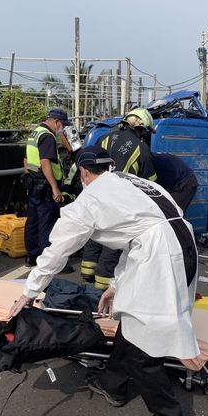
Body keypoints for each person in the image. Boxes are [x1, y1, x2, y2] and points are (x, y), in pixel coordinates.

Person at [9, 146, 201, 416]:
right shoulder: (131, 182)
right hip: (181, 245)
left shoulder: (90, 200)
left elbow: (57, 251)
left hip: (160, 258)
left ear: (84, 172)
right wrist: (116, 285)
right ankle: (113, 383)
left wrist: (29, 291)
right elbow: (137, 236)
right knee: (132, 325)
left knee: (143, 350)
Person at [81, 108, 157, 289]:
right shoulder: (141, 149)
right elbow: (150, 182)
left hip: (96, 196)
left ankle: (87, 271)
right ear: (141, 129)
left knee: (95, 231)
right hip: (120, 203)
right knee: (113, 240)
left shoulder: (103, 138)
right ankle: (103, 283)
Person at [23, 108, 73, 274]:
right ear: (57, 122)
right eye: (62, 125)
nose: (62, 129)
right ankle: (49, 263)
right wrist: (54, 187)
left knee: (33, 221)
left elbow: (26, 161)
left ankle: (32, 257)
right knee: (47, 224)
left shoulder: (35, 133)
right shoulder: (47, 136)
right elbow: (46, 163)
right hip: (44, 186)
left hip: (33, 183)